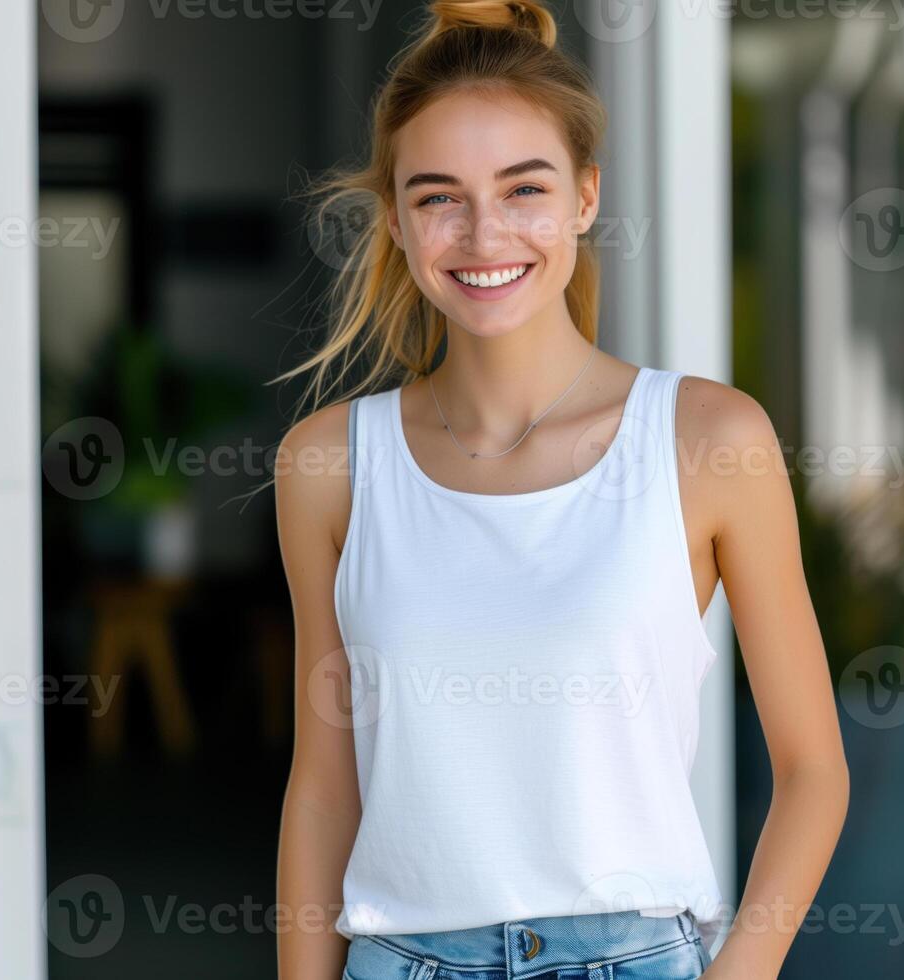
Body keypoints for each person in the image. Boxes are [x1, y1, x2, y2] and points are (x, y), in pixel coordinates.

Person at [271, 2, 849, 977]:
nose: (483, 232)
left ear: (585, 195)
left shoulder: (709, 441)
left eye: (523, 188)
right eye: (439, 196)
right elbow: (325, 790)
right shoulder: (327, 464)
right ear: (399, 218)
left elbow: (813, 771)